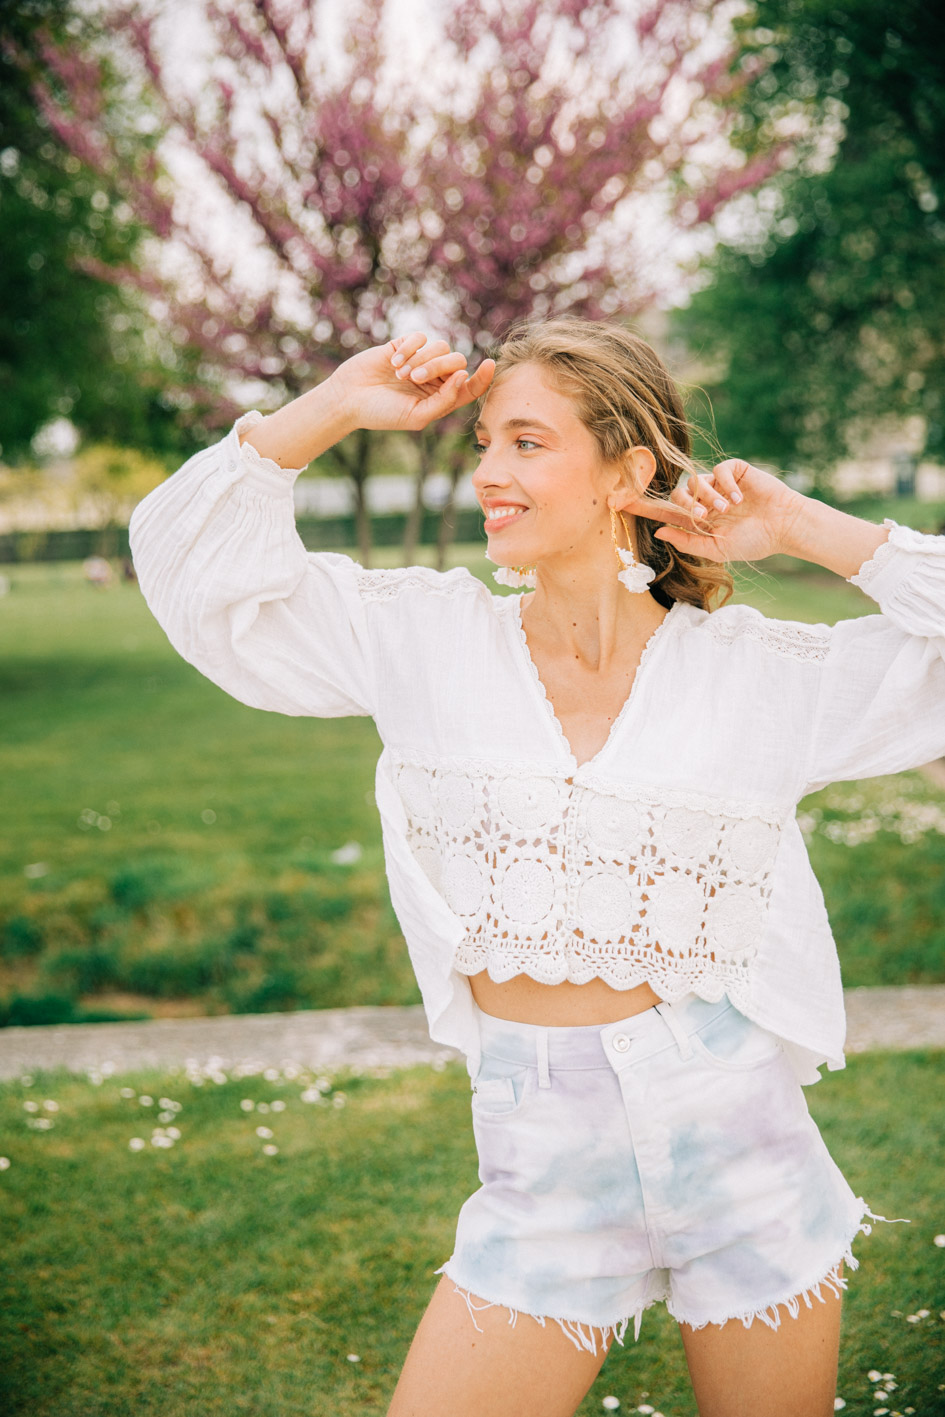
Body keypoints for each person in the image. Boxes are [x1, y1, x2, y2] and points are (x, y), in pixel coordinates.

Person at [128, 319, 945, 1417]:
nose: (487, 474)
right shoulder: (423, 637)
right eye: (483, 444)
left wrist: (802, 527)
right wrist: (332, 405)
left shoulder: (757, 673)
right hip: (542, 1164)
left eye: (526, 442)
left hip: (743, 1151)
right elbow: (199, 584)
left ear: (628, 474)